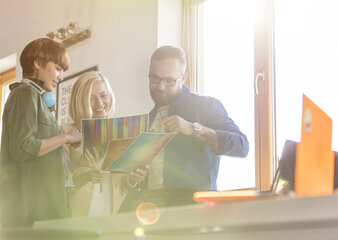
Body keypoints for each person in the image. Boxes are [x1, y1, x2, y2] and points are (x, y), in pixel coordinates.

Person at [120, 45, 249, 211]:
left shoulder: (206, 106)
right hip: (151, 211)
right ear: (149, 74)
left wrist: (194, 129)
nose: (160, 87)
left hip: (193, 210)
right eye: (155, 78)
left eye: (169, 81)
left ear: (183, 78)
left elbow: (242, 146)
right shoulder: (148, 119)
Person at [0, 38, 81, 227]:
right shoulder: (25, 93)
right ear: (37, 63)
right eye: (58, 69)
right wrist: (66, 137)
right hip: (30, 213)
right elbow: (23, 148)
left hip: (46, 209)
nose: (60, 77)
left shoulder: (37, 97)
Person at [62, 71, 148, 217]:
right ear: (80, 101)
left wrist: (133, 180)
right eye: (91, 98)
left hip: (113, 217)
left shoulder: (121, 132)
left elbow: (123, 188)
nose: (99, 103)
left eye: (103, 95)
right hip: (79, 217)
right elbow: (58, 182)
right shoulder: (65, 133)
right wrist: (84, 171)